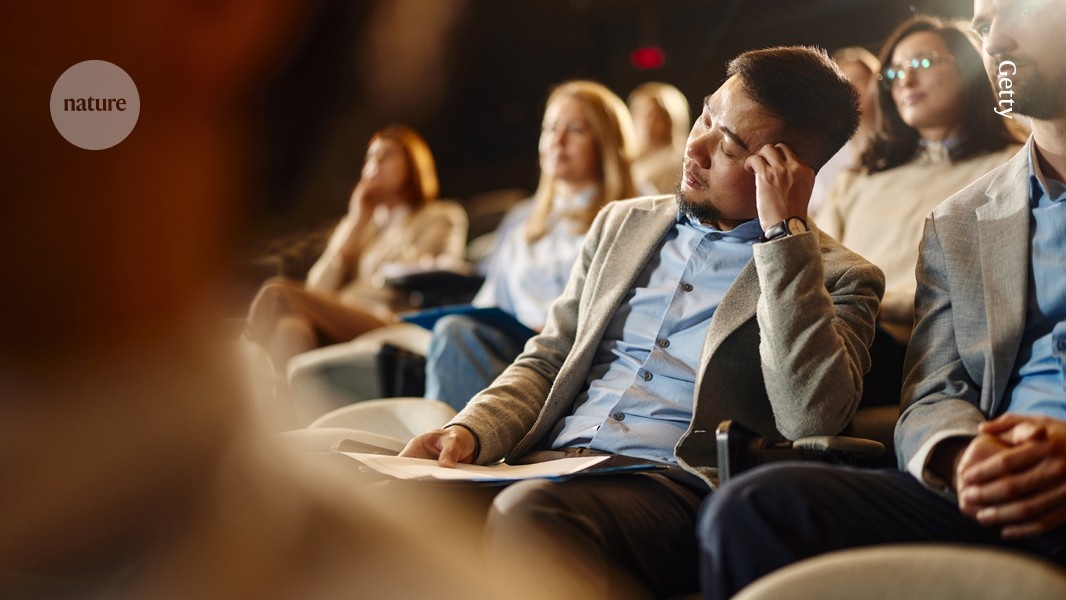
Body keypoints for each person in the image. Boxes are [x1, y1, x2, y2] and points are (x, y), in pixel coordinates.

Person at [400, 45, 883, 598]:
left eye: (726, 144)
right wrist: (468, 431)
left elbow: (810, 420)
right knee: (393, 506)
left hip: (666, 487)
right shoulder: (621, 223)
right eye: (705, 115)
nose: (694, 147)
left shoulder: (840, 277)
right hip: (543, 463)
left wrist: (785, 242)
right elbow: (549, 356)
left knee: (531, 515)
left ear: (786, 172)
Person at [697, 1, 1066, 598]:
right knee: (752, 508)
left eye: (1016, 11)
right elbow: (933, 393)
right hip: (996, 477)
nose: (994, 34)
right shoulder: (960, 219)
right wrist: (958, 456)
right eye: (981, 24)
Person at [818, 16, 1023, 408]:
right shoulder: (859, 178)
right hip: (846, 331)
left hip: (926, 347)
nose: (905, 82)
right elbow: (815, 270)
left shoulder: (1011, 167)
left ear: (971, 67)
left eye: (924, 63)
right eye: (895, 71)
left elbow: (993, 289)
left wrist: (873, 303)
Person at [424, 80, 638, 410]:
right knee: (450, 330)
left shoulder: (630, 217)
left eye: (576, 129)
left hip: (573, 357)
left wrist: (553, 328)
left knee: (454, 333)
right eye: (550, 128)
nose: (558, 141)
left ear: (606, 142)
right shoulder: (521, 221)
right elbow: (489, 303)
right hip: (514, 347)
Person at [245, 125, 468, 371]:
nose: (375, 164)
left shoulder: (440, 216)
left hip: (389, 318)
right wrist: (356, 222)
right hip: (342, 316)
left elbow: (431, 273)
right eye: (370, 157)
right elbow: (318, 288)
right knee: (290, 327)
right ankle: (283, 407)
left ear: (413, 164)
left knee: (277, 291)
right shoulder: (361, 223)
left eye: (386, 155)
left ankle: (234, 376)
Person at [807, 46, 880, 217]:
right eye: (843, 81)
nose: (851, 88)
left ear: (875, 83)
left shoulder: (896, 140)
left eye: (858, 79)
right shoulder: (825, 149)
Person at [627, 81, 691, 194]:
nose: (649, 123)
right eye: (643, 115)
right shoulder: (630, 158)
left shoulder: (679, 161)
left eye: (657, 116)